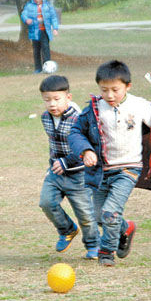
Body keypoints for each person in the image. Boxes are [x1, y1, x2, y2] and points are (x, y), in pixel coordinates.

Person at [69, 60, 151, 267]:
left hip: (129, 169)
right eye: (104, 90)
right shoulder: (93, 109)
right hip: (101, 171)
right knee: (99, 215)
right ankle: (126, 228)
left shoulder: (139, 106)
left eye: (115, 90)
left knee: (110, 212)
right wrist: (85, 150)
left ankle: (106, 252)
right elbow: (76, 132)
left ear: (128, 86)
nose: (109, 95)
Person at [37, 75, 100, 259]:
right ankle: (67, 229)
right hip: (56, 173)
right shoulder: (45, 118)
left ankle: (93, 245)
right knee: (46, 203)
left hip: (78, 175)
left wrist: (67, 162)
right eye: (47, 100)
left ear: (68, 97)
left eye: (57, 99)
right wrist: (54, 165)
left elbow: (85, 146)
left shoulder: (79, 119)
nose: (52, 104)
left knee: (86, 215)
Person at [21, 0, 59, 73]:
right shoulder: (29, 5)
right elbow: (24, 14)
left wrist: (55, 28)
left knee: (45, 49)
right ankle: (38, 68)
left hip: (45, 31)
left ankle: (48, 67)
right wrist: (26, 19)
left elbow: (53, 17)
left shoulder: (47, 5)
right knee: (36, 50)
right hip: (34, 32)